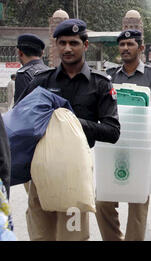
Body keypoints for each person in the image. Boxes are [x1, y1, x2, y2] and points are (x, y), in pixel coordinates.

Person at [17, 19, 121, 241]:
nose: (67, 48)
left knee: (73, 237)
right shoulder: (41, 82)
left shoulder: (100, 83)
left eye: (73, 43)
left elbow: (112, 131)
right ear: (55, 45)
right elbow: (20, 120)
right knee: (40, 236)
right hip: (42, 172)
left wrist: (71, 123)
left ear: (85, 45)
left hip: (75, 174)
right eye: (62, 43)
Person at [95, 30, 151, 241]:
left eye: (130, 44)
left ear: (141, 48)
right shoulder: (111, 75)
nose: (125, 48)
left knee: (138, 202)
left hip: (141, 147)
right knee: (102, 201)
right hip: (113, 145)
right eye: (122, 44)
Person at [14, 34, 49, 103]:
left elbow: (21, 107)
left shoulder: (24, 74)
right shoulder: (50, 71)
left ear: (20, 53)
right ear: (42, 53)